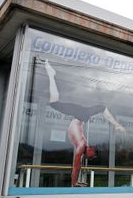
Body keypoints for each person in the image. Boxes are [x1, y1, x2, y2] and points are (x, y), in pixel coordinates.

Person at [44, 59, 126, 187]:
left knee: (54, 101)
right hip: (80, 115)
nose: (91, 158)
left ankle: (51, 74)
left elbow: (78, 165)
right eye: (92, 156)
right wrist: (74, 182)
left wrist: (76, 182)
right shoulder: (82, 145)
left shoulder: (82, 146)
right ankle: (51, 74)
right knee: (100, 108)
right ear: (91, 150)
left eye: (92, 158)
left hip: (80, 116)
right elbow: (76, 165)